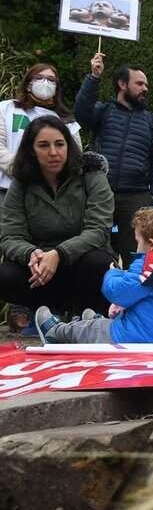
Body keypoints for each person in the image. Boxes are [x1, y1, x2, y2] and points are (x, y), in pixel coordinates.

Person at [34, 206, 153, 344]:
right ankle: (102, 321)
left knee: (88, 329)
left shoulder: (149, 266)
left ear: (150, 244)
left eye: (138, 241)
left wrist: (113, 274)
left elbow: (118, 292)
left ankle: (54, 332)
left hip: (133, 338)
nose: (136, 246)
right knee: (127, 316)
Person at [0, 117, 114, 317]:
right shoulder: (20, 183)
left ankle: (86, 313)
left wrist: (59, 254)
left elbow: (98, 230)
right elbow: (10, 236)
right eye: (44, 145)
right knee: (6, 275)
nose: (53, 152)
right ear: (31, 150)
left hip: (82, 260)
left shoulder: (92, 175)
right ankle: (45, 312)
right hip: (41, 266)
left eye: (59, 144)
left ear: (68, 146)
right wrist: (31, 254)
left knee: (99, 263)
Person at [0, 63, 82, 332]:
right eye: (40, 78)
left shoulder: (66, 119)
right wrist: (28, 168)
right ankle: (22, 305)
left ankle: (54, 308)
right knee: (16, 251)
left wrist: (45, 170)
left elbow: (76, 153)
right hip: (11, 187)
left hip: (52, 191)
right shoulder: (7, 108)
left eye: (52, 80)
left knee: (54, 249)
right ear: (27, 81)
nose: (46, 83)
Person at [74, 53, 153, 264]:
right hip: (100, 192)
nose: (145, 89)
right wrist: (94, 77)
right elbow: (81, 112)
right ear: (122, 84)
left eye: (146, 84)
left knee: (136, 259)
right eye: (140, 83)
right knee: (93, 252)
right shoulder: (104, 111)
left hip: (137, 198)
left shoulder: (152, 121)